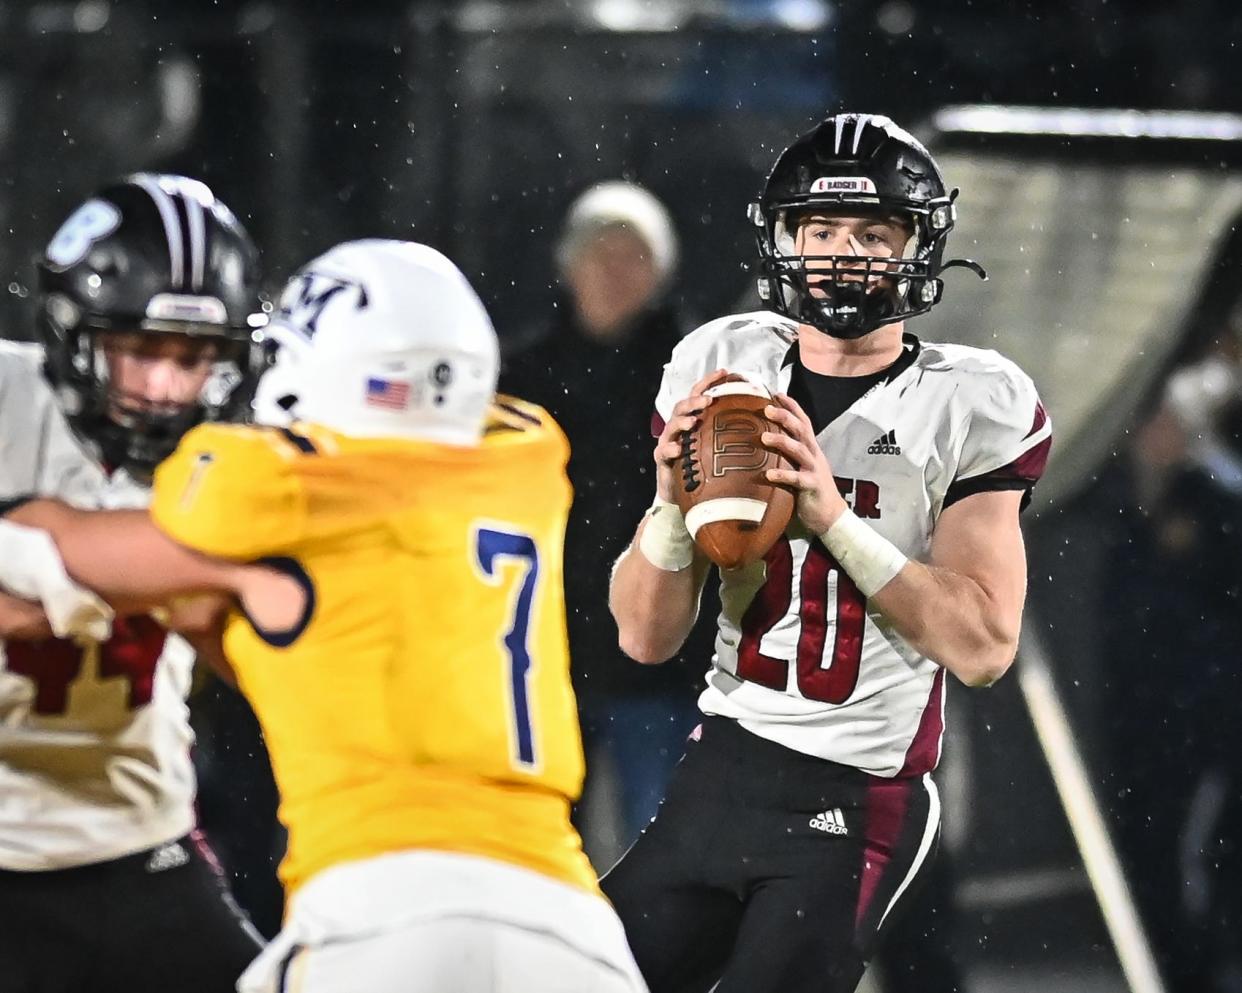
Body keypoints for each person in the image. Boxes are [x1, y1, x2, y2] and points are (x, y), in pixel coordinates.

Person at [9, 239, 648, 993]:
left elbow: (57, 538)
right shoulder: (527, 460)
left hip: (378, 916)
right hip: (567, 917)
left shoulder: (266, 490)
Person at [603, 113, 1053, 993]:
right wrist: (667, 504)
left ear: (916, 247)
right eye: (820, 231)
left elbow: (984, 648)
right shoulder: (722, 367)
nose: (842, 256)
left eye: (871, 234)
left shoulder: (970, 399)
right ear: (785, 240)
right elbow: (643, 638)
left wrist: (834, 518)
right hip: (723, 761)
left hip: (858, 792)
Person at [0, 173, 265, 991]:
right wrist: (189, 570)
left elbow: (261, 648)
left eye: (190, 359)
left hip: (136, 842)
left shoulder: (239, 448)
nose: (161, 386)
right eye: (141, 350)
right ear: (73, 330)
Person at [502, 181, 708, 856]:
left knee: (664, 846)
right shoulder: (519, 379)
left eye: (634, 256)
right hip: (546, 654)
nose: (616, 272)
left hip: (664, 661)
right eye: (601, 253)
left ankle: (664, 966)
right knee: (543, 846)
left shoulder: (704, 380)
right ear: (569, 264)